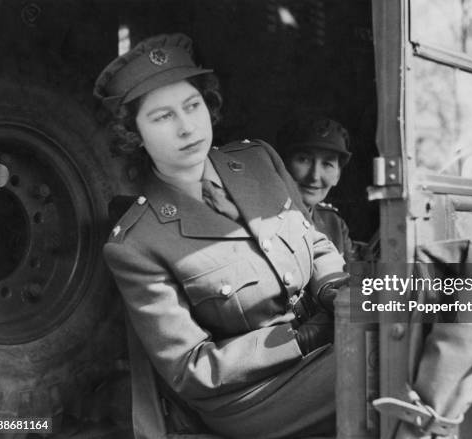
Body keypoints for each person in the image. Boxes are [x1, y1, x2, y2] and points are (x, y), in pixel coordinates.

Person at [94, 33, 348, 439]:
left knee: (455, 282)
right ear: (133, 133)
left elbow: (314, 243)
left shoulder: (259, 161)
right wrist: (301, 338)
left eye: (192, 106)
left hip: (329, 344)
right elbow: (191, 367)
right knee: (390, 347)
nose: (186, 127)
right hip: (253, 396)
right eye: (162, 117)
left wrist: (335, 289)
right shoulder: (136, 244)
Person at [277, 116, 357, 261]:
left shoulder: (334, 224)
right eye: (303, 159)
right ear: (283, 165)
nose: (314, 176)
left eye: (327, 164)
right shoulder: (262, 219)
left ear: (337, 176)